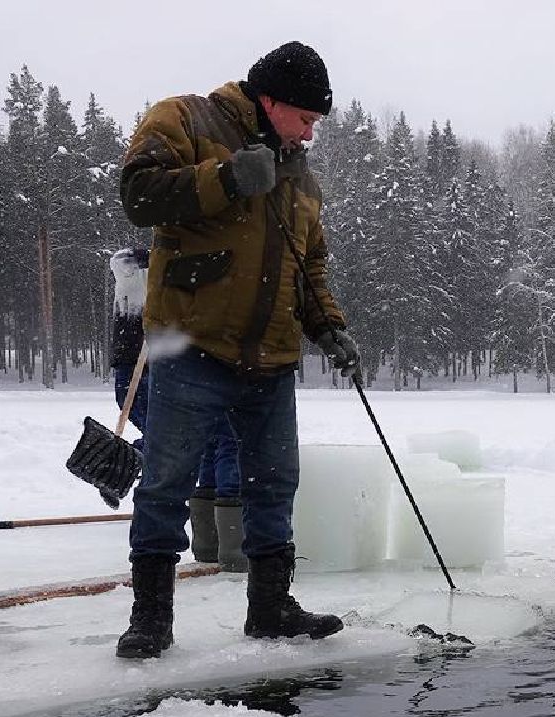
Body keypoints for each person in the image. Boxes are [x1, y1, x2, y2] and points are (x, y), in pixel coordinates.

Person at [113, 40, 361, 658]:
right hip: (190, 343)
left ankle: (271, 607)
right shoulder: (186, 118)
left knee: (275, 483)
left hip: (271, 355)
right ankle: (151, 618)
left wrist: (329, 327)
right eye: (305, 119)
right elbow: (138, 194)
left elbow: (311, 265)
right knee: (166, 480)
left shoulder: (300, 173)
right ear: (271, 100)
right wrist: (225, 178)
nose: (310, 134)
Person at [108, 247, 247, 574]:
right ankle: (232, 545)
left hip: (144, 373)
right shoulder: (153, 281)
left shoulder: (131, 281)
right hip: (159, 373)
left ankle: (211, 543)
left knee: (208, 439)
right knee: (225, 438)